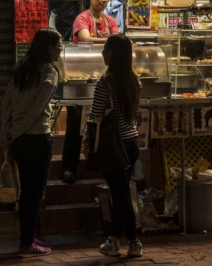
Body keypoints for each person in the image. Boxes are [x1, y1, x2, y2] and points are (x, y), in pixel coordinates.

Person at [0, 28, 63, 257]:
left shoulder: (21, 68)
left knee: (26, 191)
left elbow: (6, 102)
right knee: (35, 193)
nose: (61, 49)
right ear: (47, 48)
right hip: (37, 138)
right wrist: (13, 132)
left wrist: (7, 133)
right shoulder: (49, 72)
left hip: (18, 140)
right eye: (58, 45)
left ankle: (28, 237)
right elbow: (37, 110)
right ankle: (27, 243)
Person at [88, 35, 142, 258]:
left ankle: (134, 242)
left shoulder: (105, 82)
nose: (103, 53)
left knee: (120, 195)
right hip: (131, 143)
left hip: (113, 146)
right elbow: (135, 114)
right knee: (120, 193)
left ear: (112, 53)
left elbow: (95, 117)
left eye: (105, 49)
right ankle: (114, 241)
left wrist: (88, 144)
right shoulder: (135, 81)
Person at [62, 0, 119, 184]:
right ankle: (68, 169)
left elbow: (117, 44)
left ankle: (103, 167)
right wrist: (111, 40)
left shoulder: (110, 21)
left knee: (104, 126)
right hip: (80, 77)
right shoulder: (82, 18)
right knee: (75, 126)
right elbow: (85, 39)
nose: (104, 0)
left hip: (104, 79)